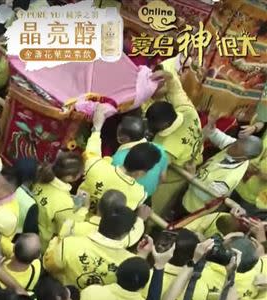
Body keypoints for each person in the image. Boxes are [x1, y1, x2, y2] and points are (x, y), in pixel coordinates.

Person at [148, 68, 204, 217]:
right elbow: (175, 87)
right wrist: (167, 75)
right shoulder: (187, 111)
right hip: (194, 159)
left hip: (174, 177)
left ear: (163, 126)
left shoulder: (163, 147)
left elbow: (160, 176)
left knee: (155, 209)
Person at [79, 108, 157, 215]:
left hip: (78, 212)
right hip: (103, 228)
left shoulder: (96, 167)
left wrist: (97, 127)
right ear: (141, 173)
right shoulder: (139, 194)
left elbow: (91, 151)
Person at [44, 205, 139, 290]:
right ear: (126, 233)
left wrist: (57, 240)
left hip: (64, 295)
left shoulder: (68, 244)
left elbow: (48, 265)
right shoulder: (129, 264)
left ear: (100, 219)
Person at [181, 116, 262, 214]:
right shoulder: (236, 146)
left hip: (194, 207)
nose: (231, 145)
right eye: (236, 142)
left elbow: (204, 195)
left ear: (243, 158)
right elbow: (222, 139)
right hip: (188, 190)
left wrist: (191, 176)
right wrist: (212, 130)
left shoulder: (229, 178)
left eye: (235, 147)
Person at [31, 151, 86, 248]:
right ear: (70, 177)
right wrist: (84, 208)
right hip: (40, 240)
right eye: (80, 174)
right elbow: (64, 228)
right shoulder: (64, 202)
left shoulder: (41, 175)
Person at [110, 114, 167, 198]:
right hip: (146, 196)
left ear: (125, 138)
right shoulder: (160, 149)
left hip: (125, 198)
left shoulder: (117, 158)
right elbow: (163, 179)